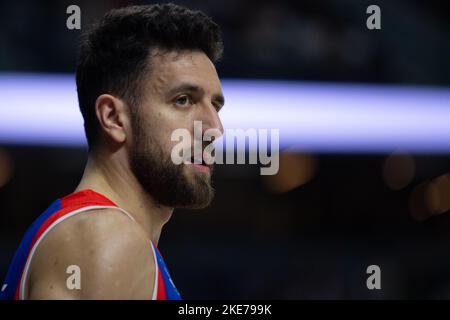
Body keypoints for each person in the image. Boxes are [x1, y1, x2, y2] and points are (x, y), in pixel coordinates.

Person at [0, 3, 225, 300]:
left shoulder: (88, 229)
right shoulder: (107, 235)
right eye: (183, 100)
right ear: (113, 118)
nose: (214, 128)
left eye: (216, 105)